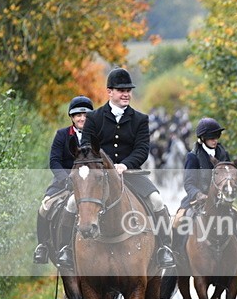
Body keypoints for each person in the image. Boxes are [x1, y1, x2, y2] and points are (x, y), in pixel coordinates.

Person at [56, 67, 176, 270]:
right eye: (121, 90)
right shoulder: (94, 118)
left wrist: (125, 165)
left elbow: (142, 149)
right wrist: (103, 167)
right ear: (109, 92)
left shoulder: (140, 119)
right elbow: (86, 148)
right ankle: (66, 249)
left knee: (156, 200)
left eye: (128, 90)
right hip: (98, 176)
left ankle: (164, 248)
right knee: (71, 204)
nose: (126, 94)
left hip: (131, 175)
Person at [174, 117, 237, 265]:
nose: (215, 140)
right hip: (197, 199)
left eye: (217, 136)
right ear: (202, 138)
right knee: (178, 221)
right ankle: (176, 255)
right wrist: (199, 194)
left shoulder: (223, 153)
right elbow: (189, 183)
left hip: (222, 200)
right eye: (211, 137)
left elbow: (230, 175)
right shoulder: (193, 157)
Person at [33, 95, 95, 264]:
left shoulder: (97, 136)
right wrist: (66, 179)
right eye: (78, 115)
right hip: (65, 181)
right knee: (45, 207)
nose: (82, 118)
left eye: (85, 115)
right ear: (72, 117)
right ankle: (43, 246)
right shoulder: (62, 135)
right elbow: (54, 161)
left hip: (91, 183)